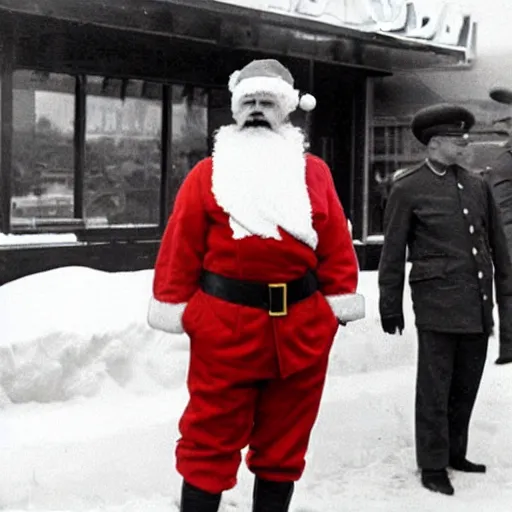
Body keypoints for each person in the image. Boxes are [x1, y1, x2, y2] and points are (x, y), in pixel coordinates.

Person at [147, 58, 365, 512]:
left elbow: (336, 246)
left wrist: (331, 311)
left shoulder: (315, 174)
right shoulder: (206, 174)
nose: (257, 110)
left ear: (286, 110)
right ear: (235, 111)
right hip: (224, 329)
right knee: (208, 440)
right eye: (249, 102)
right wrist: (185, 312)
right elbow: (179, 247)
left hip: (302, 330)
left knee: (285, 446)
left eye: (268, 101)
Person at [378, 103, 512, 497]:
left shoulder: (476, 184)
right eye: (457, 141)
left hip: (475, 304)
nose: (464, 147)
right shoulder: (407, 187)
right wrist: (390, 304)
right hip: (436, 305)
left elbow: (497, 249)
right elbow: (392, 252)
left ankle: (456, 452)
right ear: (434, 144)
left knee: (466, 385)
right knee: (435, 389)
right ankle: (432, 464)